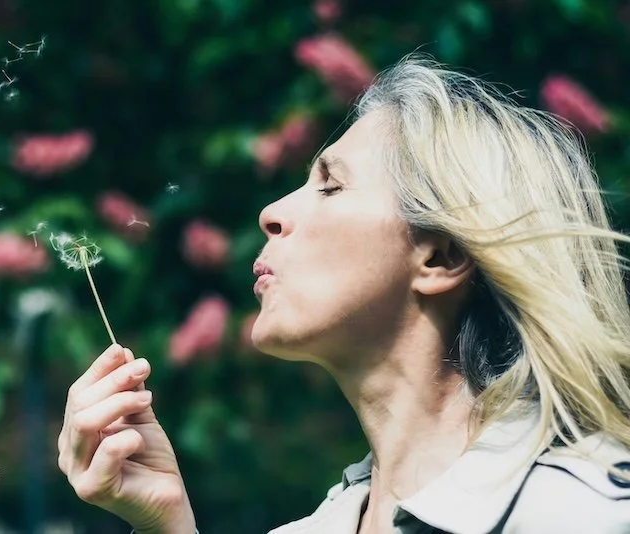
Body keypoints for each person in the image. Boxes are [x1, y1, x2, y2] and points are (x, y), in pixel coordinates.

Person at [56, 54, 630, 533]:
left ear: (441, 256)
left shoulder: (588, 515)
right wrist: (166, 524)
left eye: (330, 185)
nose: (271, 212)